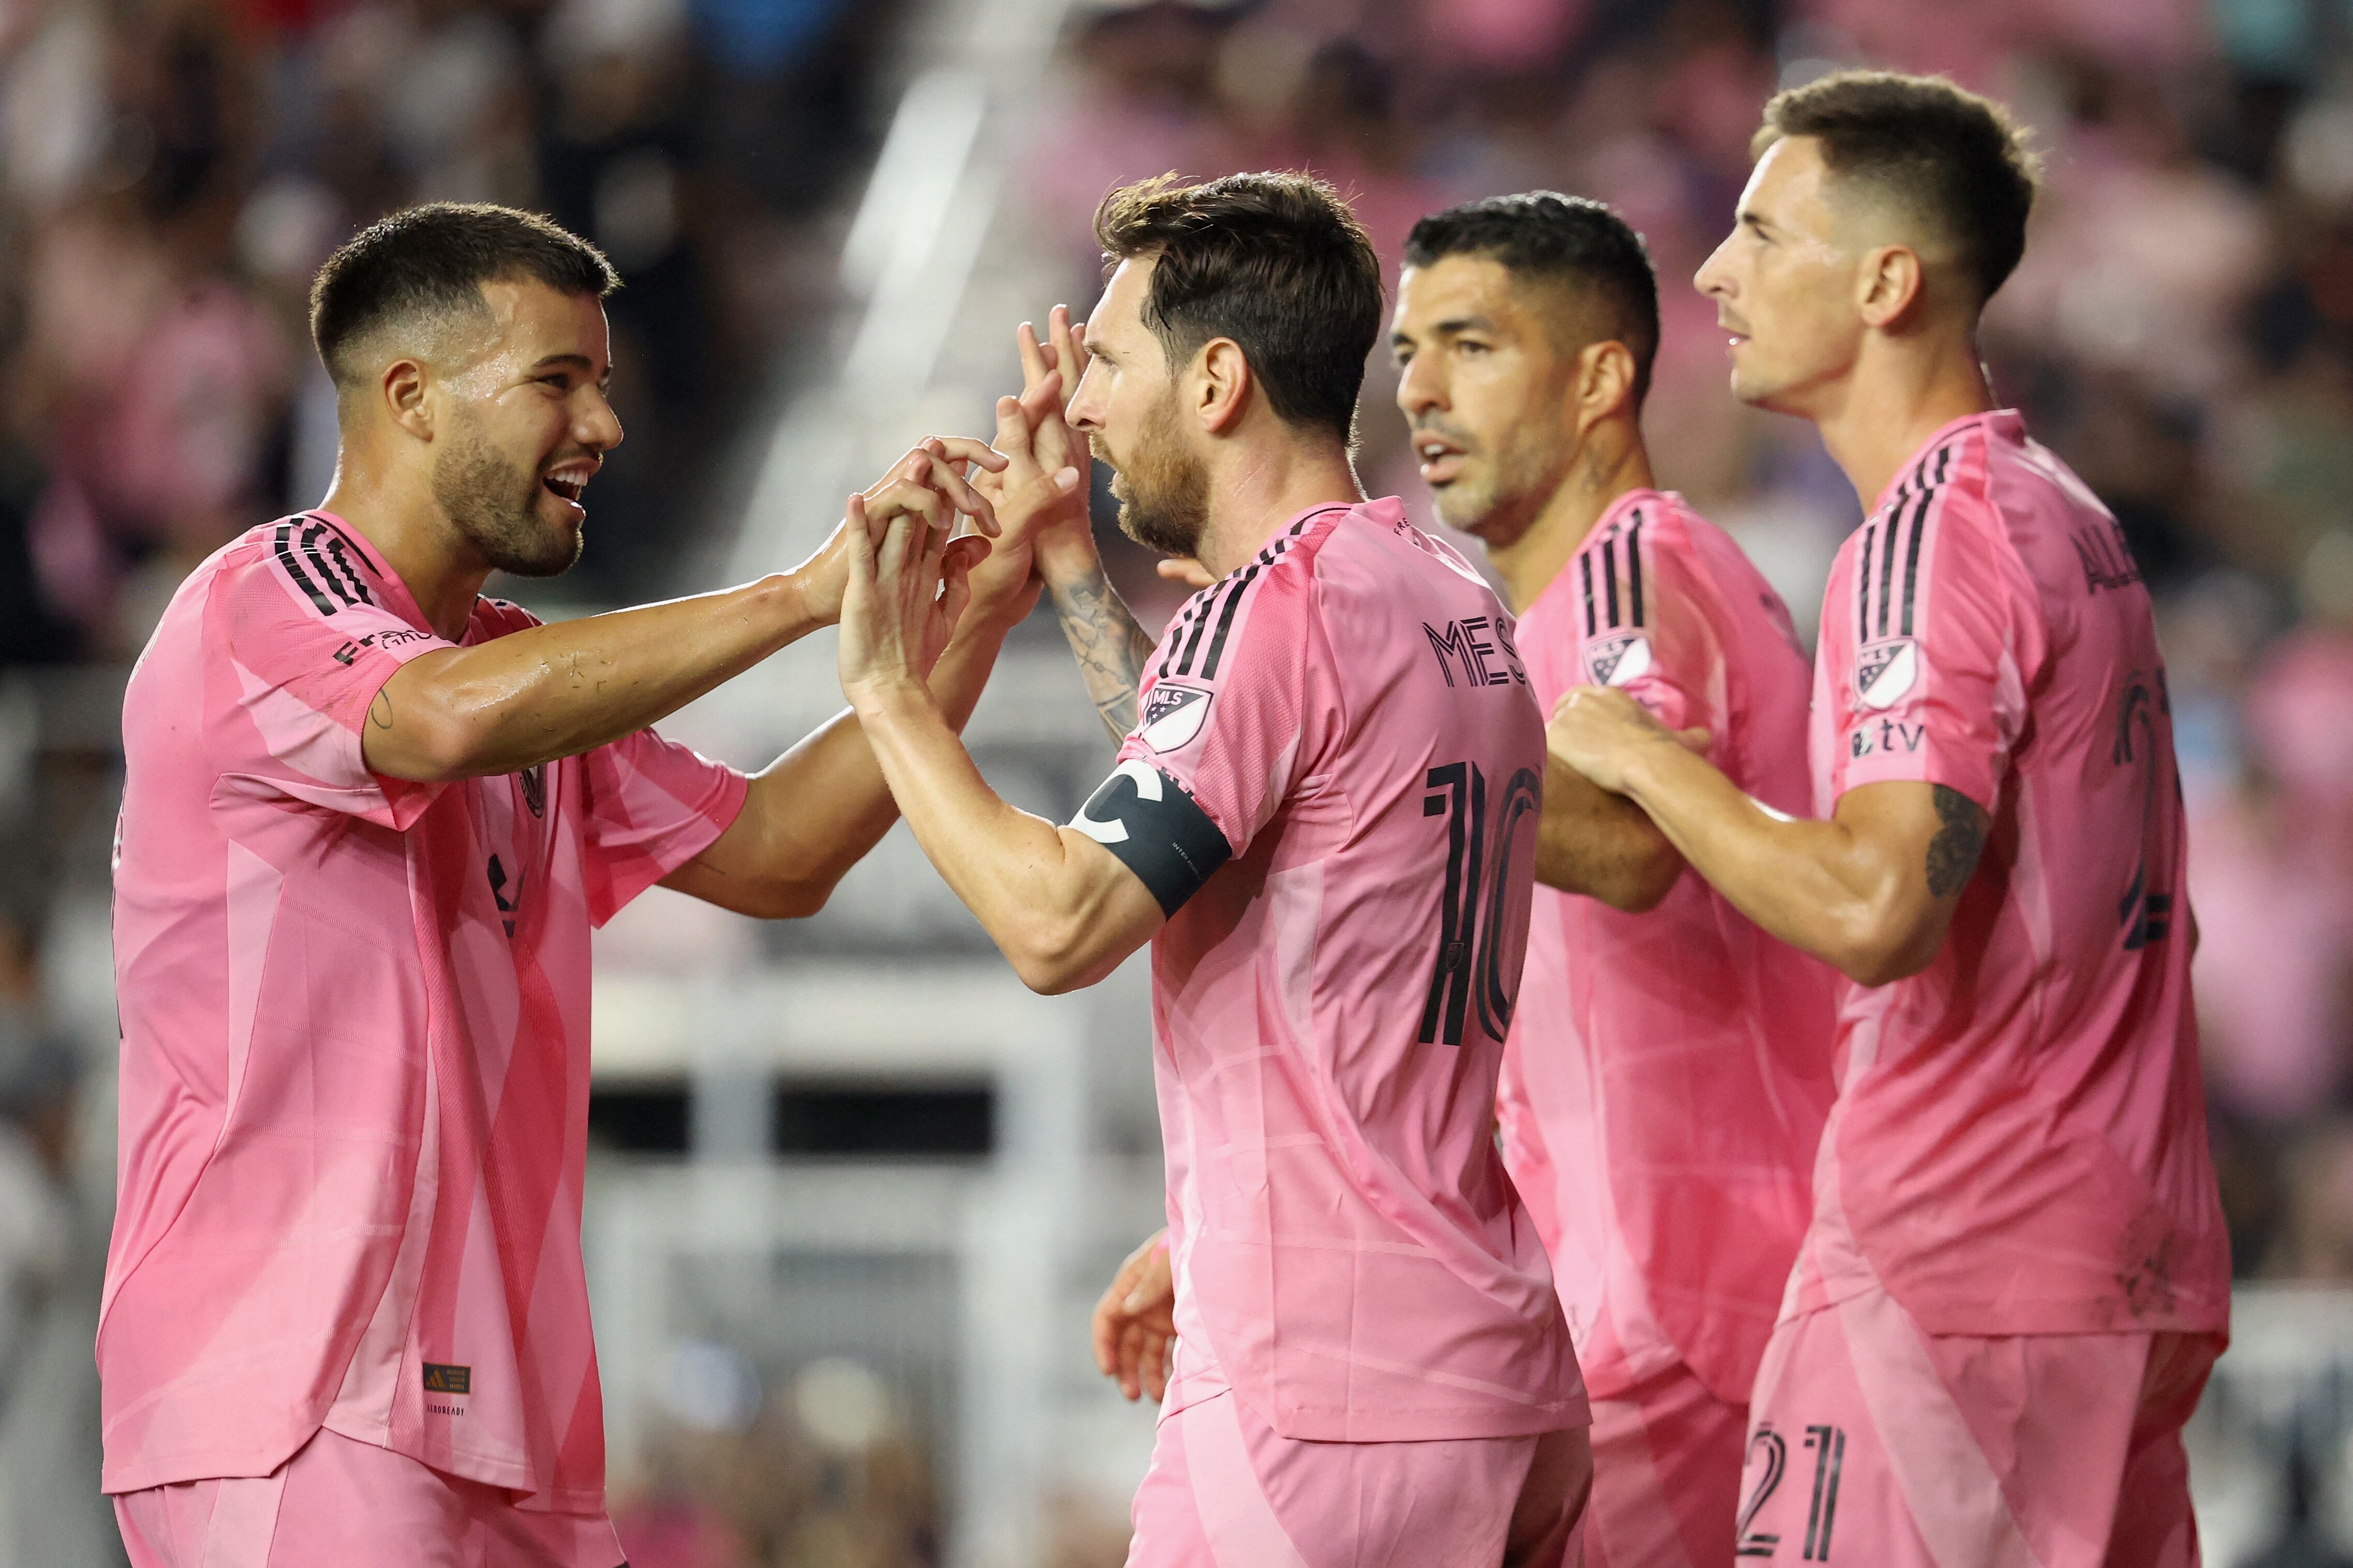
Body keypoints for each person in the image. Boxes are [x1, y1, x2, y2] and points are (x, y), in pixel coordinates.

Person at [102, 202, 1029, 1568]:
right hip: (296, 1394)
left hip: (500, 1426)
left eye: (600, 383)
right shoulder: (266, 597)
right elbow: (439, 722)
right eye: (558, 381)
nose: (601, 426)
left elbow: (777, 854)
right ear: (410, 398)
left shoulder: (516, 671)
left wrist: (969, 618)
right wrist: (797, 596)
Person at [836, 171, 1589, 1566]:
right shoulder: (1441, 598)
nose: (1088, 408)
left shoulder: (1276, 611)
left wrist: (888, 691)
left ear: (1219, 379)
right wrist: (1067, 559)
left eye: (1112, 363)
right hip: (1491, 1368)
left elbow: (1061, 922)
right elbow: (1224, 800)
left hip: (1328, 1398)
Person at [1548, 72, 2231, 1565]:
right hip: (2128, 1255)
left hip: (1958, 1264)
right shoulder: (2066, 514)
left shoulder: (1930, 537)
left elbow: (1876, 908)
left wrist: (1651, 766)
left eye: (1759, 234)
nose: (1715, 274)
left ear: (1883, 281)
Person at [1389, 191, 1837, 1568]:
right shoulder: (1531, 627)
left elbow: (1635, 839)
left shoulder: (1638, 572)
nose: (1416, 390)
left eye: (1467, 344)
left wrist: (1366, 759)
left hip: (1694, 1310)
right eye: (1405, 352)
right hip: (1615, 1315)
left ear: (1598, 376)